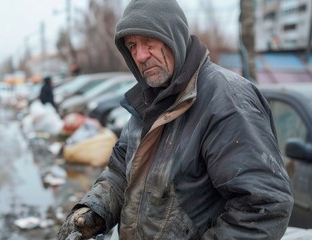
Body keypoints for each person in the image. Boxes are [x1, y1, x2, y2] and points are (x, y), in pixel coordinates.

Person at [58, 0, 294, 239]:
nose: (140, 56)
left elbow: (265, 207)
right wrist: (93, 212)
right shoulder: (148, 101)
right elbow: (120, 172)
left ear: (174, 38)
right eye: (132, 45)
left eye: (149, 42)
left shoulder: (226, 101)